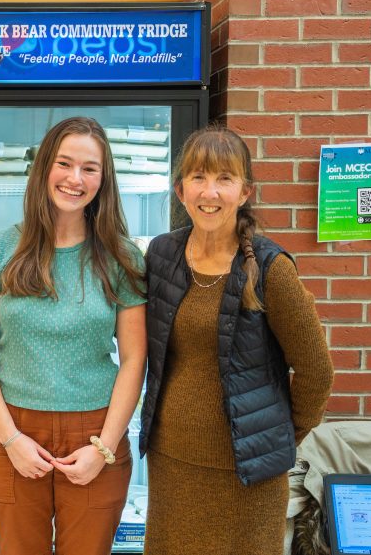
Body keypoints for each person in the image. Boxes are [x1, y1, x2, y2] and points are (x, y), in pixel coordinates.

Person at [139, 126, 334, 555]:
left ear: (245, 191)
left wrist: (276, 432)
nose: (210, 192)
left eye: (224, 179)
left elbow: (317, 372)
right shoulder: (161, 255)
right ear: (180, 189)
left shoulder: (270, 269)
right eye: (198, 178)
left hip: (248, 477)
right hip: (172, 465)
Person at [0, 116, 147, 554]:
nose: (75, 179)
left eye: (90, 168)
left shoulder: (121, 256)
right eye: (64, 163)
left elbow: (135, 358)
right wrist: (11, 440)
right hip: (13, 430)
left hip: (97, 431)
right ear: (44, 168)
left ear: (104, 178)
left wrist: (103, 449)